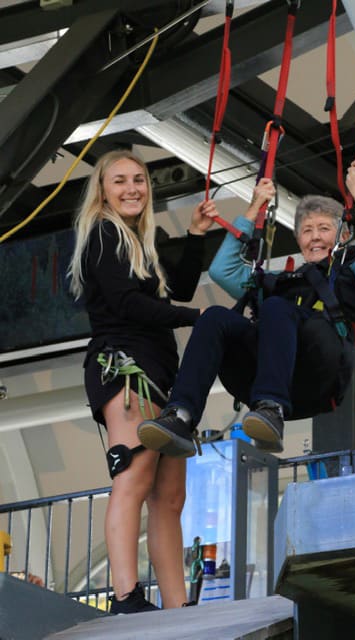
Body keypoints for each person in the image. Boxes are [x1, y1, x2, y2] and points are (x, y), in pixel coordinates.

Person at [136, 159, 355, 456]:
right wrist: (253, 208)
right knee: (217, 317)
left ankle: (272, 409)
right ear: (298, 239)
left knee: (275, 307)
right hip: (260, 379)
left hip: (320, 370)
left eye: (324, 228)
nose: (314, 236)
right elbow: (224, 272)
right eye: (307, 230)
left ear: (344, 235)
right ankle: (181, 416)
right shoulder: (279, 283)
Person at [68, 149, 215, 614]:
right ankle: (126, 595)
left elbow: (181, 287)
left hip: (158, 370)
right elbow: (131, 305)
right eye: (120, 181)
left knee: (170, 496)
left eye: (139, 180)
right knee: (134, 476)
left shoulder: (140, 242)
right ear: (103, 191)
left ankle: (174, 606)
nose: (132, 188)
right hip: (126, 365)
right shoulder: (103, 233)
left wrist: (194, 236)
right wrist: (198, 318)